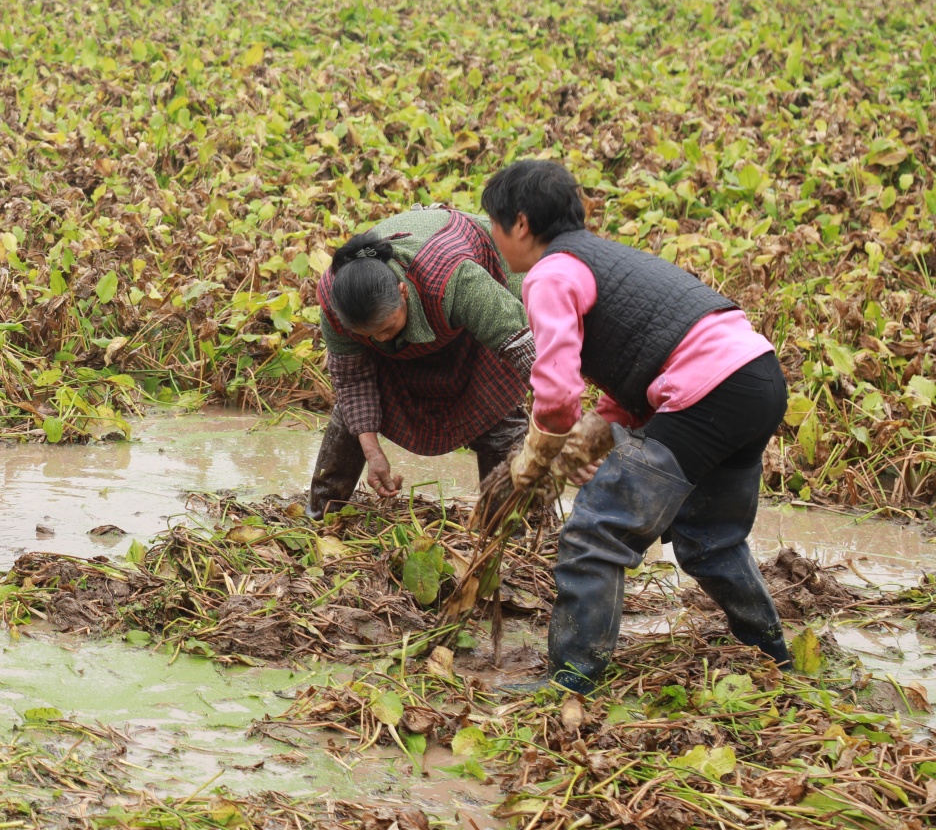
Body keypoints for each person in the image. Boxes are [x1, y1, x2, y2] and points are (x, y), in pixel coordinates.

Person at [482, 159, 791, 694]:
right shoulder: (603, 257)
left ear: (522, 224)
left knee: (595, 531)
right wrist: (585, 447)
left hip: (708, 392)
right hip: (757, 379)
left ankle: (572, 679)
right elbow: (642, 374)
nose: (493, 235)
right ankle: (773, 657)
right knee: (710, 538)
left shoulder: (550, 274)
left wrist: (533, 459)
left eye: (494, 222)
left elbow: (556, 396)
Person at [308, 207, 537, 516]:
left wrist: (558, 422)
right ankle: (322, 512)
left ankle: (506, 530)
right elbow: (353, 382)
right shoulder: (338, 303)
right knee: (352, 412)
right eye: (367, 335)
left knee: (499, 416)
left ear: (403, 293)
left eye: (387, 328)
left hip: (482, 291)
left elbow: (524, 349)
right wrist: (372, 451)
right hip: (426, 311)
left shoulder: (456, 280)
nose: (380, 341)